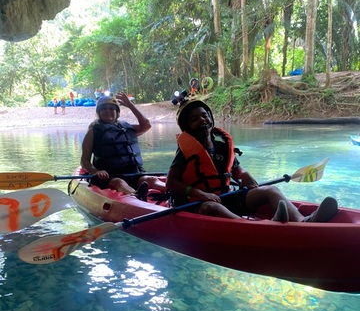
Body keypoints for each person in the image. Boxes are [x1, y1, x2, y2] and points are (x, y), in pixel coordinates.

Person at [166, 95, 339, 223]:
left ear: (211, 118)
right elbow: (171, 182)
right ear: (187, 127)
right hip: (196, 205)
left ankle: (302, 222)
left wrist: (244, 175)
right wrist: (200, 194)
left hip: (226, 198)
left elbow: (235, 169)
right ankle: (254, 226)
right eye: (194, 119)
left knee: (270, 190)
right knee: (212, 207)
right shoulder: (184, 152)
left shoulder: (222, 147)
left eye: (205, 115)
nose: (202, 121)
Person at [81, 92, 166, 200]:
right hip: (109, 176)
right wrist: (96, 172)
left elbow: (146, 125)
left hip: (132, 173)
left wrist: (130, 105)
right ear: (99, 112)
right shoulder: (93, 132)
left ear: (117, 112)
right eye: (104, 109)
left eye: (112, 109)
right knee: (119, 182)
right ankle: (138, 197)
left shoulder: (125, 128)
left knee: (150, 180)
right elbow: (84, 160)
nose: (108, 111)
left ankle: (173, 190)